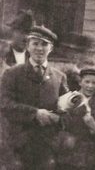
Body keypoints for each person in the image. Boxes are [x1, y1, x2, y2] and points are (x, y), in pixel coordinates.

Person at [0, 25, 68, 170]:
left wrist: (58, 117)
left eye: (44, 44)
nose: (39, 48)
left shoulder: (59, 77)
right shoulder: (12, 74)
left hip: (46, 148)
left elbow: (66, 109)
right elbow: (4, 104)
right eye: (35, 43)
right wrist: (35, 113)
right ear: (28, 46)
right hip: (17, 147)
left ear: (51, 48)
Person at [56, 67, 95, 170]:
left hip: (90, 160)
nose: (90, 86)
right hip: (67, 158)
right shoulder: (67, 99)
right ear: (80, 82)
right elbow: (57, 124)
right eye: (87, 82)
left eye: (94, 83)